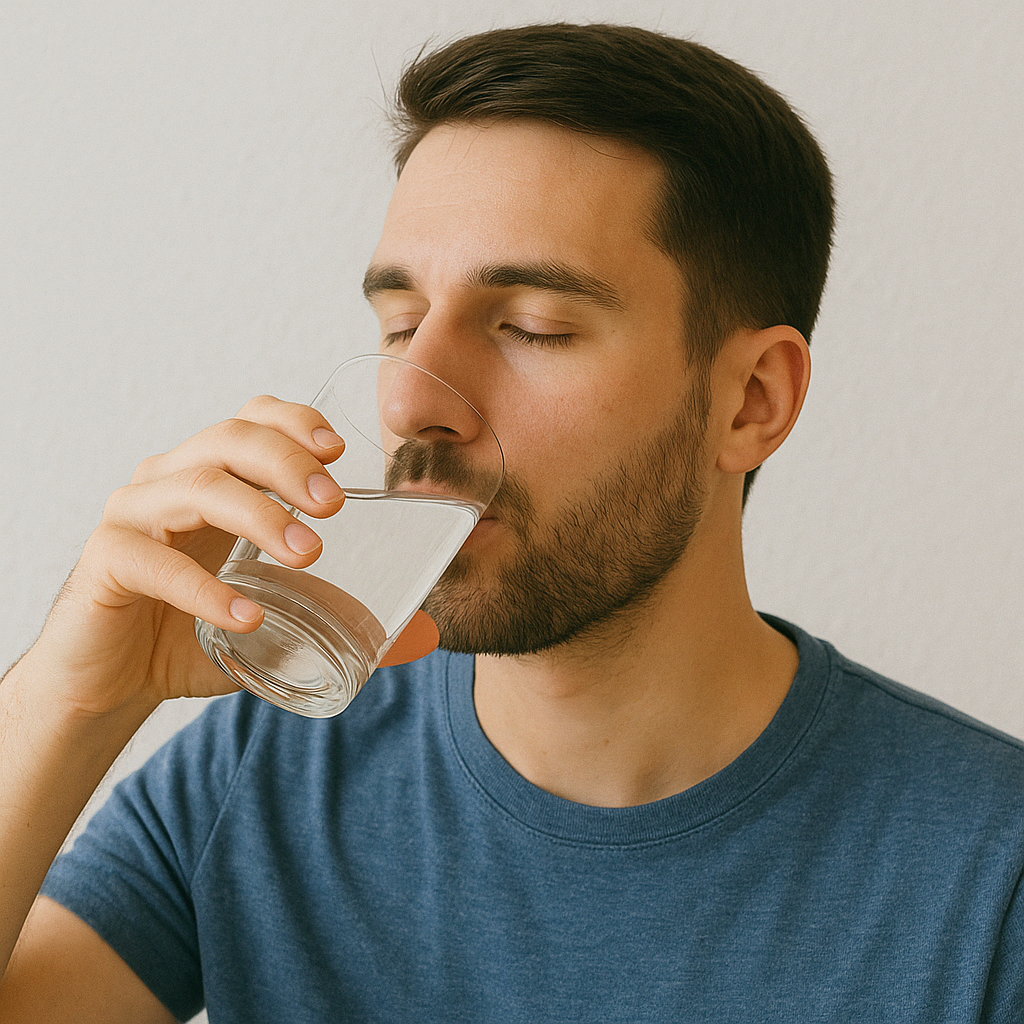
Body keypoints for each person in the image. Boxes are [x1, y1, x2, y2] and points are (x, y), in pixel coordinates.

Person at [1, 22, 1022, 1023]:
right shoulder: (260, 778)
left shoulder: (991, 873)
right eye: (400, 326)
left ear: (750, 400)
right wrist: (73, 694)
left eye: (532, 327)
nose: (409, 398)